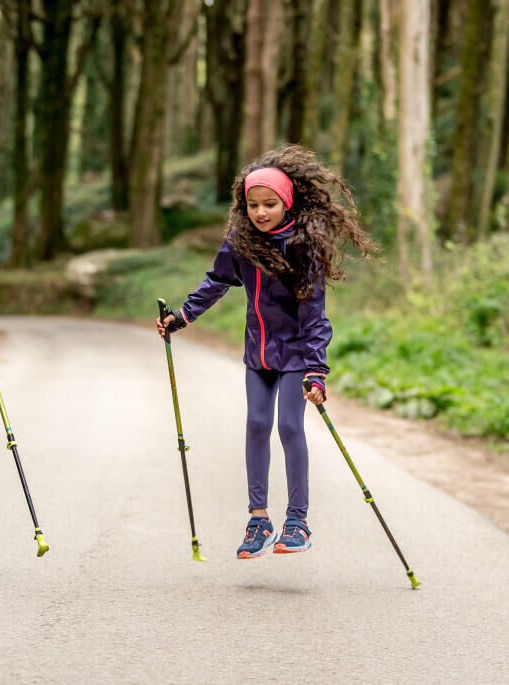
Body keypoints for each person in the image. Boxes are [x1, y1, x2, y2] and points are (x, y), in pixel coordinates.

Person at [156, 145, 375, 560]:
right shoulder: (241, 243)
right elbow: (216, 281)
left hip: (295, 355)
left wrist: (316, 370)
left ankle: (298, 521)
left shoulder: (302, 246)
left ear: (286, 202)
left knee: (289, 427)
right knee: (257, 424)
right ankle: (258, 519)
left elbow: (315, 315)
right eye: (253, 205)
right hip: (259, 353)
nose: (260, 212)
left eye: (269, 204)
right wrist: (182, 316)